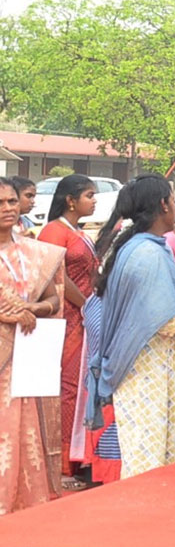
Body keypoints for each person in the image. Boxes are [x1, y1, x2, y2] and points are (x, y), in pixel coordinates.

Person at [90, 176, 175, 478]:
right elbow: (167, 321)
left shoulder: (139, 246)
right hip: (150, 366)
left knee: (155, 449)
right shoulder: (148, 254)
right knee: (150, 454)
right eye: (173, 198)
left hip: (149, 363)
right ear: (164, 205)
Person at [0, 177, 66, 514]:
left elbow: (54, 300)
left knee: (26, 426)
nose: (7, 209)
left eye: (12, 201)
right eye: (0, 203)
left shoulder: (35, 252)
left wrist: (34, 309)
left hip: (27, 355)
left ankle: (24, 504)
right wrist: (11, 313)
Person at [37, 175, 99, 490]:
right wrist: (86, 304)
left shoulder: (79, 232)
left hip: (84, 317)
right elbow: (53, 275)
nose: (95, 201)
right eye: (89, 195)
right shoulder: (53, 231)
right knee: (68, 388)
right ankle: (61, 465)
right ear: (70, 200)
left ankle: (78, 457)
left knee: (80, 388)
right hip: (66, 317)